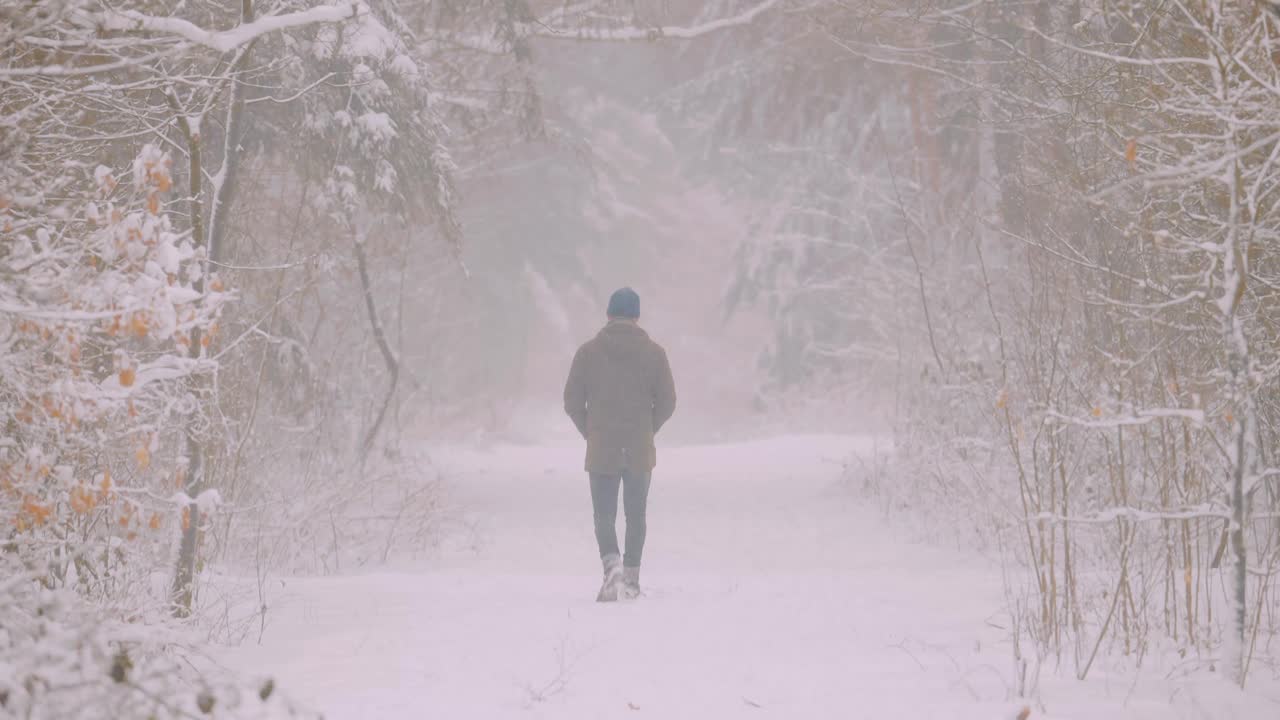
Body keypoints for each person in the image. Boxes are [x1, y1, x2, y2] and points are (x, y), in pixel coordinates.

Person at [563, 287, 677, 601]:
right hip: (639, 447)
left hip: (602, 447)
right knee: (636, 516)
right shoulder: (655, 354)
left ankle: (611, 565)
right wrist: (647, 428)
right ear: (637, 317)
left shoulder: (588, 353)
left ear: (609, 314)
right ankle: (631, 578)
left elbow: (571, 401)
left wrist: (592, 431)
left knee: (604, 515)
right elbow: (668, 401)